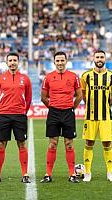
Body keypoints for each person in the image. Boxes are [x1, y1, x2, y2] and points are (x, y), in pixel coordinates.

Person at [40, 51, 82, 183]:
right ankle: (48, 174)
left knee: (69, 144)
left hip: (68, 113)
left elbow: (79, 95)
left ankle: (72, 175)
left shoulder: (73, 76)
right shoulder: (48, 77)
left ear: (66, 61)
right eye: (57, 61)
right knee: (53, 144)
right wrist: (53, 107)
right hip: (53, 113)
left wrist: (71, 108)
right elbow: (43, 97)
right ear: (54, 62)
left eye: (62, 60)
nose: (60, 63)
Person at [0, 52, 32, 183]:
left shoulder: (25, 79)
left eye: (15, 60)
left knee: (22, 144)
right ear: (6, 62)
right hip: (4, 116)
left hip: (20, 115)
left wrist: (22, 110)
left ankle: (25, 174)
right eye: (10, 60)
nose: (12, 62)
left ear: (18, 62)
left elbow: (29, 98)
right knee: (1, 144)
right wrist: (1, 110)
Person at [81, 50, 112, 182]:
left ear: (105, 58)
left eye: (102, 57)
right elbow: (83, 92)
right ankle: (87, 173)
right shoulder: (86, 76)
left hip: (106, 116)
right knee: (89, 142)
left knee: (107, 143)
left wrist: (108, 105)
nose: (99, 59)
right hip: (90, 117)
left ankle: (110, 173)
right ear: (93, 58)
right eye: (97, 57)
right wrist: (88, 104)